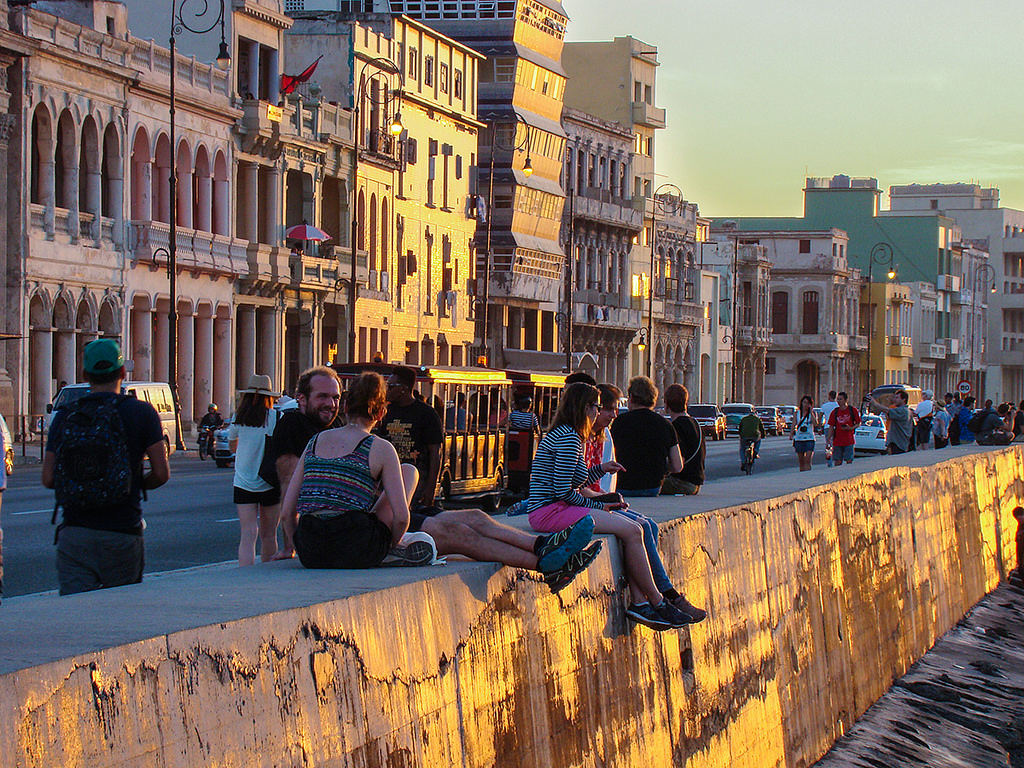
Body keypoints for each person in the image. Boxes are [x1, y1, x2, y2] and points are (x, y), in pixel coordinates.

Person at [527, 382, 701, 630]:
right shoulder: (568, 438)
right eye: (597, 407)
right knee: (632, 530)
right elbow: (562, 492)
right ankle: (657, 601)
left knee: (632, 527)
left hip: (556, 507)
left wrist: (601, 469)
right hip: (549, 511)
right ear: (585, 407)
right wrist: (596, 506)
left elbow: (574, 480)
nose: (599, 413)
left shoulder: (569, 434)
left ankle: (644, 603)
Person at [42, 339, 170, 595]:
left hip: (75, 532)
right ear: (123, 372)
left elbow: (48, 477)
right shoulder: (142, 413)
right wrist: (132, 482)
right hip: (122, 530)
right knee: (118, 613)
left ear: (85, 375)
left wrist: (80, 483)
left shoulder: (66, 415)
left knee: (76, 613)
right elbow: (161, 473)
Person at [279, 372, 434, 569]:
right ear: (380, 414)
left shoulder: (314, 442)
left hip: (311, 549)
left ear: (345, 407)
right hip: (356, 545)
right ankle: (391, 553)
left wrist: (301, 548)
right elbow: (402, 517)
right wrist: (389, 544)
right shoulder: (380, 448)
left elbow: (287, 513)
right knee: (409, 471)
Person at [271, 366, 343, 560]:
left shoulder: (337, 425)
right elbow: (289, 485)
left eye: (335, 397)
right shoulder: (291, 425)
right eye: (322, 397)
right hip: (318, 528)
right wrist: (291, 546)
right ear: (302, 399)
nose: (331, 404)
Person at [229, 375, 281, 565]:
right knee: (269, 534)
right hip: (269, 481)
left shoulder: (238, 418)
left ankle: (245, 573)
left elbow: (232, 446)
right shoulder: (276, 417)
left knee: (248, 534)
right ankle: (267, 572)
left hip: (242, 481)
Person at [378, 366, 444, 511]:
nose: (387, 390)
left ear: (404, 388)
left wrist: (430, 487)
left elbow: (435, 453)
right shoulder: (385, 412)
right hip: (388, 478)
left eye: (391, 386)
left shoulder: (427, 414)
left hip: (416, 480)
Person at [609, 377, 683, 497]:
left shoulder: (619, 422)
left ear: (631, 397)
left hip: (623, 486)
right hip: (652, 487)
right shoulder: (665, 424)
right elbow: (677, 466)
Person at [661, 384, 705, 495]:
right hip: (696, 483)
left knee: (644, 484)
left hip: (682, 483)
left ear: (667, 404)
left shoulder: (677, 426)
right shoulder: (695, 423)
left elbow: (679, 462)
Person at [870, 389, 912, 455]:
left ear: (904, 399)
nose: (894, 399)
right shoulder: (899, 409)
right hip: (896, 443)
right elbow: (888, 414)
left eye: (897, 397)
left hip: (899, 443)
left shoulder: (903, 411)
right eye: (894, 397)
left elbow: (888, 411)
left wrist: (875, 404)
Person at [827, 391, 861, 466]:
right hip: (837, 441)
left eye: (840, 399)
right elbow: (831, 426)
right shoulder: (835, 412)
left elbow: (858, 423)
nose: (839, 401)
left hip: (849, 440)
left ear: (845, 400)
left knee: (849, 460)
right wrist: (828, 439)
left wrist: (851, 428)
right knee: (837, 461)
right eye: (838, 399)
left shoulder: (852, 410)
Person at [790, 395, 817, 472]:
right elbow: (793, 424)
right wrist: (791, 434)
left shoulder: (812, 414)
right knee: (801, 461)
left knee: (808, 460)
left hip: (810, 438)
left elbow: (815, 423)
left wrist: (811, 412)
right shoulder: (797, 413)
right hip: (799, 438)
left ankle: (808, 473)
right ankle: (801, 474)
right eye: (804, 402)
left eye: (808, 403)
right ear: (801, 403)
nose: (805, 405)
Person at [820, 391, 839, 467]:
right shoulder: (838, 405)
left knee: (828, 444)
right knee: (836, 444)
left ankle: (829, 462)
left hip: (827, 427)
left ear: (829, 396)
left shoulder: (824, 406)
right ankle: (837, 460)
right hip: (837, 427)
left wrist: (820, 427)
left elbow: (821, 417)